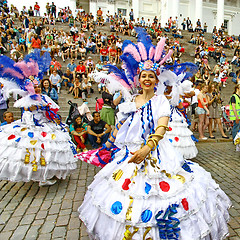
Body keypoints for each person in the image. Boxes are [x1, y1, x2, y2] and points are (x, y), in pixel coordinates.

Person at [77, 29, 230, 239]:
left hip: (157, 154)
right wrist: (105, 148)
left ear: (156, 80)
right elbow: (120, 128)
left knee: (163, 195)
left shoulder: (161, 101)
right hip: (130, 155)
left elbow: (161, 127)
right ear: (138, 79)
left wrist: (147, 148)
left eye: (151, 76)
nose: (147, 79)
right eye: (144, 76)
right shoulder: (130, 102)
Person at [0, 51, 77, 186]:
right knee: (36, 153)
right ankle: (38, 176)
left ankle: (45, 176)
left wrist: (54, 116)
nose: (38, 89)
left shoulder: (45, 98)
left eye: (39, 87)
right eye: (35, 88)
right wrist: (35, 103)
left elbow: (52, 110)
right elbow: (29, 111)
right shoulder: (28, 99)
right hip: (33, 126)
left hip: (46, 125)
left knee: (49, 153)